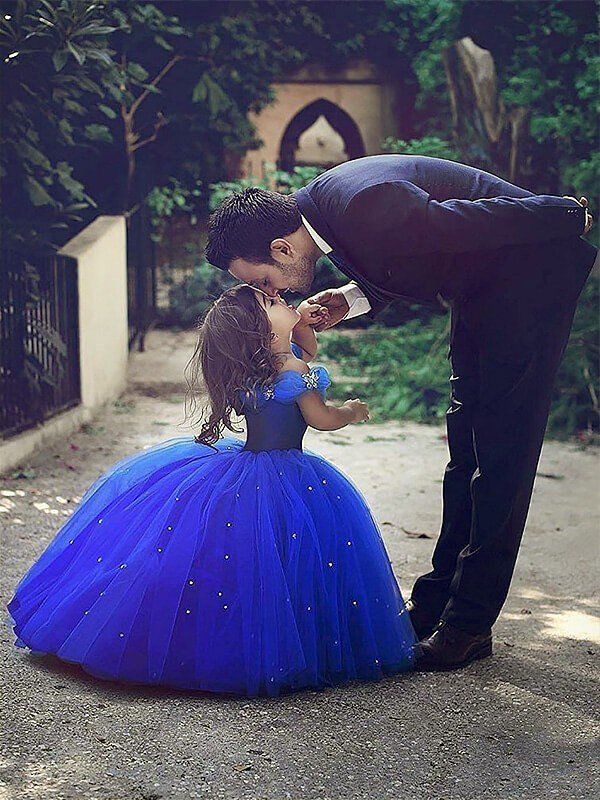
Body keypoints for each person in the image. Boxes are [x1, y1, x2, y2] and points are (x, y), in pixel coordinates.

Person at [204, 154, 597, 671]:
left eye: (265, 280)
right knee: (466, 449)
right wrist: (352, 299)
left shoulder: (358, 205)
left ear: (281, 248)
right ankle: (434, 604)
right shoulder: (328, 212)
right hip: (484, 287)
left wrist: (563, 211)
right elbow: (416, 251)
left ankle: (469, 624)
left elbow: (467, 222)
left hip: (530, 277)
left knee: (503, 452)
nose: (275, 293)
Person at [7, 283, 417, 696]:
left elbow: (305, 349)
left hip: (253, 465)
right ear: (261, 330)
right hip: (287, 471)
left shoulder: (258, 368)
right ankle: (279, 644)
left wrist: (300, 323)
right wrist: (350, 411)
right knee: (285, 551)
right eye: (271, 301)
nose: (282, 298)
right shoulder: (293, 371)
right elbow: (321, 418)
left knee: (244, 553)